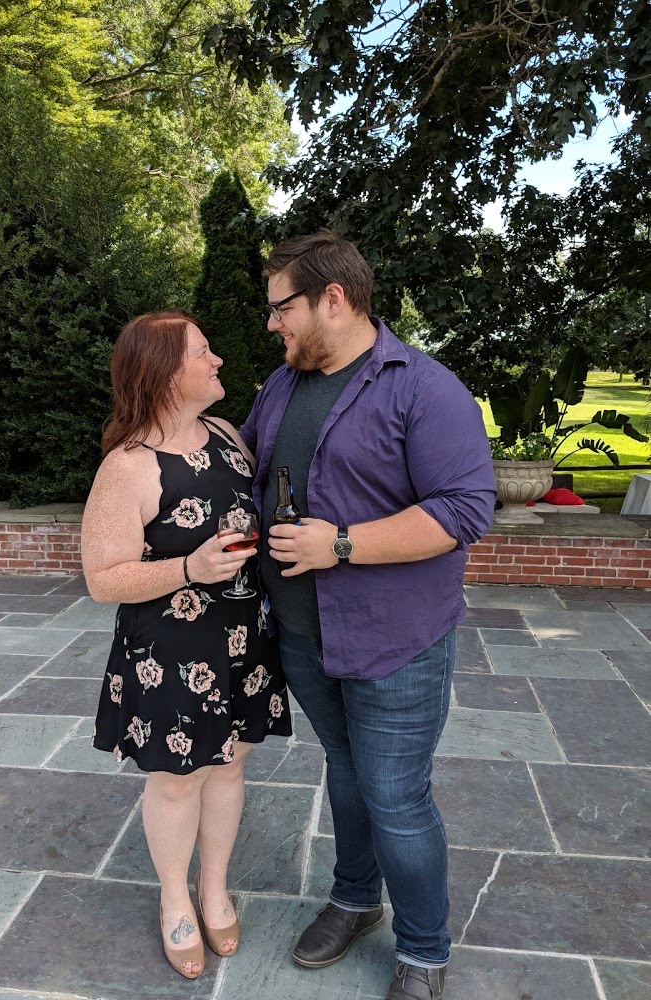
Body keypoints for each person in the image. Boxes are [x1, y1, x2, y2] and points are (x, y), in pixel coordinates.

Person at [239, 232, 496, 1000]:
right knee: (346, 776)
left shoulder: (422, 387)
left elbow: (464, 510)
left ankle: (423, 950)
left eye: (281, 307)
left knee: (395, 795)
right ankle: (355, 898)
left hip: (394, 643)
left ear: (334, 299)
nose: (273, 323)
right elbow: (246, 465)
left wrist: (340, 544)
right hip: (302, 634)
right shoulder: (281, 386)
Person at [82, 311, 291, 980]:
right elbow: (102, 579)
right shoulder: (129, 467)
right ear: (167, 374)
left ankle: (214, 886)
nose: (218, 361)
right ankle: (176, 897)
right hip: (171, 652)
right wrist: (187, 569)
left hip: (243, 642)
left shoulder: (230, 437)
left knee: (229, 766)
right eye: (204, 352)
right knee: (179, 780)